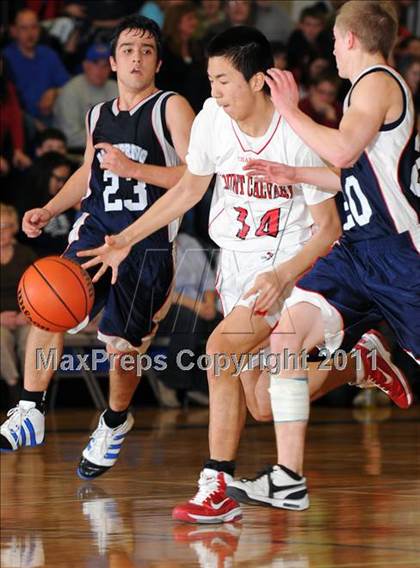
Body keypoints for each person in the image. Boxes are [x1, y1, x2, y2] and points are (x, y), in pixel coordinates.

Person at [74, 26, 411, 522]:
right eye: (210, 79)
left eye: (224, 80)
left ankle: (216, 484)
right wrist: (125, 238)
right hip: (237, 271)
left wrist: (283, 275)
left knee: (218, 352)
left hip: (291, 270)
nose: (214, 91)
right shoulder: (213, 118)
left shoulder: (299, 136)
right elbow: (190, 189)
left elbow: (328, 230)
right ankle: (358, 365)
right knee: (261, 404)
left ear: (258, 81)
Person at [225, 0, 419, 510]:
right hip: (358, 254)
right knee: (288, 335)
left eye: (334, 38)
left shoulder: (377, 80)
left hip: (401, 256)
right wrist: (295, 175)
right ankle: (288, 477)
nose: (331, 48)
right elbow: (349, 173)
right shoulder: (366, 91)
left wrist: (290, 110)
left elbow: (343, 151)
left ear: (351, 39)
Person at [0, 16, 195, 483]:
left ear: (159, 62)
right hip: (94, 235)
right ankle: (30, 409)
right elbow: (88, 173)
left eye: (146, 50)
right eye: (127, 49)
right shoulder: (97, 115)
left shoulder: (171, 108)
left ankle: (113, 420)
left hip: (145, 247)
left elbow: (196, 178)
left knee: (122, 352)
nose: (136, 57)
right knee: (46, 306)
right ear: (111, 61)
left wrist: (134, 169)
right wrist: (48, 209)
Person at [3, 8, 70, 127]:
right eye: (24, 28)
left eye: (34, 27)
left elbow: (68, 86)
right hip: (21, 119)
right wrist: (33, 123)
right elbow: (8, 101)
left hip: (52, 117)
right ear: (14, 31)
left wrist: (54, 92)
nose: (30, 33)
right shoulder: (6, 58)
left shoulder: (49, 54)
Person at [0, 204, 37, 405]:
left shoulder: (25, 254)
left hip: (25, 316)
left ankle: (32, 392)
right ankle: (14, 389)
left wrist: (28, 314)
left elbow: (39, 288)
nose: (2, 231)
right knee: (0, 341)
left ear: (14, 227)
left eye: (6, 225)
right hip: (0, 320)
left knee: (31, 341)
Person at [54, 44, 118, 151]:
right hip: (76, 151)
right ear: (85, 65)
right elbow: (70, 137)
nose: (100, 70)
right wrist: (107, 138)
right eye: (96, 64)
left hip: (111, 150)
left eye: (105, 65)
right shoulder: (71, 90)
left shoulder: (117, 88)